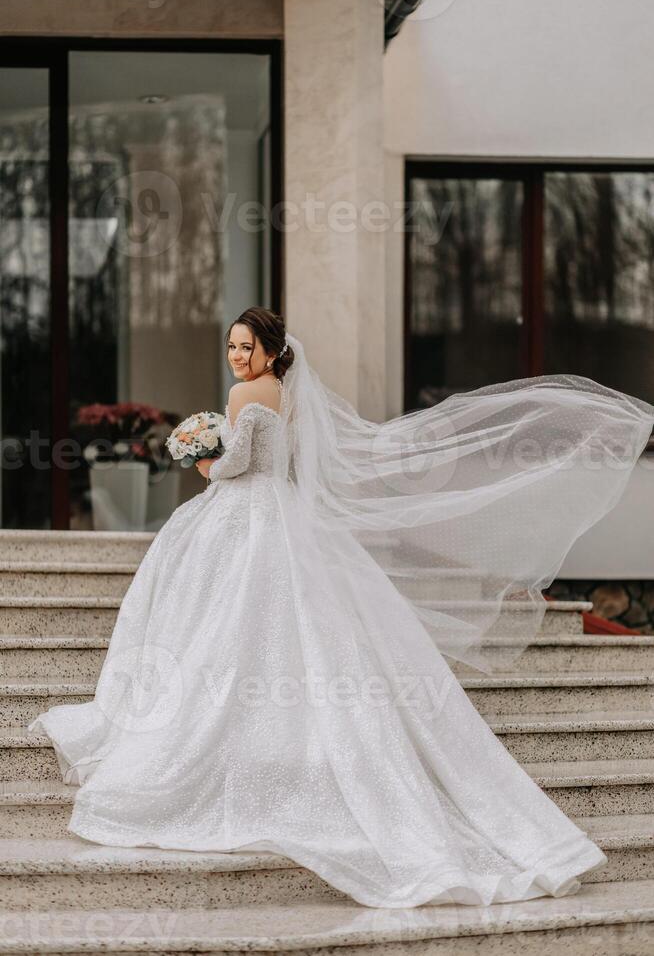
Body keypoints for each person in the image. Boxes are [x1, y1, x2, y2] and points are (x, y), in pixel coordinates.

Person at [28, 307, 654, 908]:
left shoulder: (248, 395)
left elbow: (236, 469)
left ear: (271, 351)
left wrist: (198, 456)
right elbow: (290, 465)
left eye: (246, 346)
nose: (236, 356)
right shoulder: (291, 395)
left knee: (223, 624)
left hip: (244, 515)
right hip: (284, 518)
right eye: (232, 346)